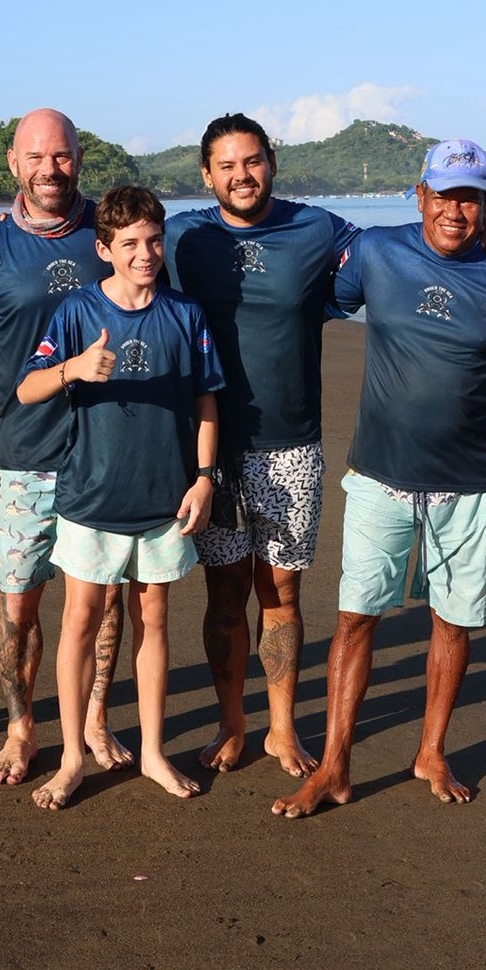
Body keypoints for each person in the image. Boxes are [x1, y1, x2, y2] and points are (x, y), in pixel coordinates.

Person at [273, 139, 486, 818]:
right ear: (419, 193)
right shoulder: (376, 254)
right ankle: (335, 768)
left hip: (466, 487)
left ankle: (431, 750)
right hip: (380, 479)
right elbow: (311, 301)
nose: (456, 209)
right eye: (446, 194)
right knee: (355, 619)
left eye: (472, 196)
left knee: (453, 624)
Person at [162, 113, 361, 777]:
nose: (241, 175)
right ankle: (231, 722)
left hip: (291, 445)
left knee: (281, 592)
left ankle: (281, 728)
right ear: (205, 175)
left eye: (252, 161)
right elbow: (104, 242)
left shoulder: (316, 228)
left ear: (271, 161)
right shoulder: (182, 235)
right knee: (223, 593)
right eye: (226, 165)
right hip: (210, 449)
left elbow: (396, 252)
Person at [16, 185, 224, 809]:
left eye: (154, 241)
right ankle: (74, 755)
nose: (145, 254)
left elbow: (206, 399)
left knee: (153, 621)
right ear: (103, 248)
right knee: (79, 620)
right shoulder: (77, 312)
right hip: (91, 496)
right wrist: (72, 370)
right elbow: (27, 390)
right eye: (129, 243)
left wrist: (205, 477)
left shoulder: (186, 314)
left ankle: (154, 751)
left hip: (164, 499)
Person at [0, 108, 133, 786]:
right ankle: (21, 728)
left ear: (79, 158)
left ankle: (93, 719)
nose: (49, 169)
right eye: (36, 157)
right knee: (18, 599)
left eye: (60, 156)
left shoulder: (108, 234)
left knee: (104, 599)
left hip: (106, 454)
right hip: (25, 455)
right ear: (13, 163)